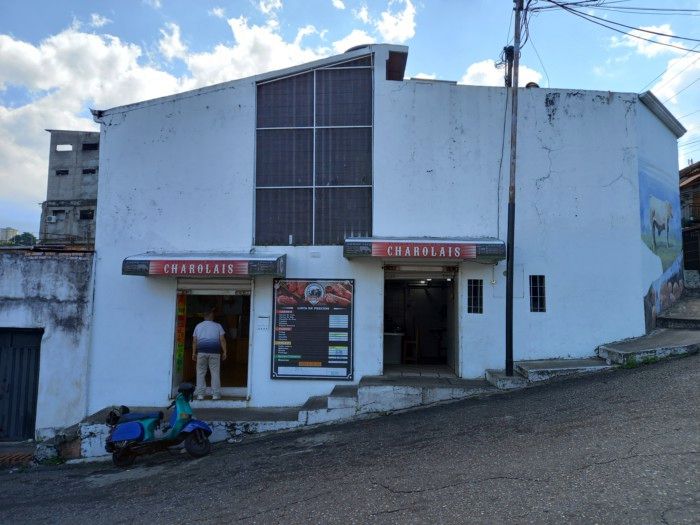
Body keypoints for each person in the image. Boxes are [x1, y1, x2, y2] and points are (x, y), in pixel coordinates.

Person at [192, 306, 227, 400]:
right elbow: (222, 339)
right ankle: (215, 395)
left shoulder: (198, 326)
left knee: (200, 373)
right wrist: (225, 352)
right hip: (215, 353)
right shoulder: (218, 326)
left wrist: (193, 353)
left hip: (201, 353)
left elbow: (194, 341)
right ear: (211, 315)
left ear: (204, 316)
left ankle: (200, 395)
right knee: (215, 373)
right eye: (213, 314)